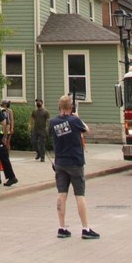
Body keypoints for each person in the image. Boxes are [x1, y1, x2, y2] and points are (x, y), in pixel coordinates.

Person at [50, 94, 99, 239]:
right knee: (79, 195)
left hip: (60, 162)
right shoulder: (74, 120)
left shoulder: (53, 122)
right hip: (75, 162)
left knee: (61, 194)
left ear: (59, 106)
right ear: (71, 107)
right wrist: (77, 117)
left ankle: (62, 227)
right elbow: (87, 130)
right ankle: (85, 228)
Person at [0, 96, 18, 186]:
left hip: (1, 137)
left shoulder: (1, 111)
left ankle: (12, 177)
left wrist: (5, 137)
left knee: (4, 158)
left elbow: (7, 124)